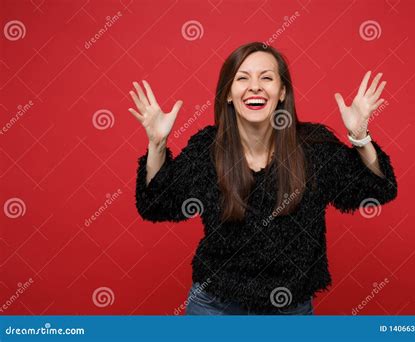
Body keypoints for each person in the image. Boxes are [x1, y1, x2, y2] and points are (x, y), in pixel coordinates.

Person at [128, 42, 398, 315]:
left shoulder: (314, 146)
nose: (255, 86)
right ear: (229, 95)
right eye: (242, 78)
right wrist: (157, 144)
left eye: (266, 78)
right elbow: (156, 205)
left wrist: (361, 137)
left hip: (290, 311)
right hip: (214, 310)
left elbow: (376, 190)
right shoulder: (207, 148)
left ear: (282, 92)